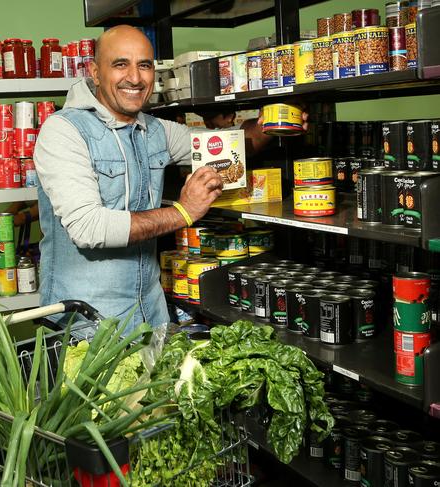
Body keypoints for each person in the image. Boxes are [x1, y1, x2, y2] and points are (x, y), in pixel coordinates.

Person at [34, 25, 278, 330]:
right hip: (86, 322)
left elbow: (226, 149)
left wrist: (270, 124)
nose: (135, 78)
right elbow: (88, 228)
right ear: (95, 72)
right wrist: (183, 212)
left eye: (144, 65)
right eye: (120, 64)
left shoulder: (155, 130)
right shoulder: (63, 131)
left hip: (149, 313)